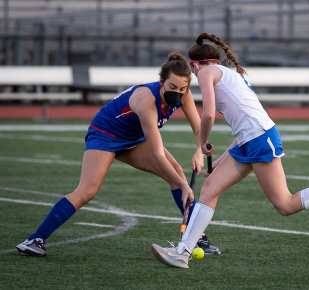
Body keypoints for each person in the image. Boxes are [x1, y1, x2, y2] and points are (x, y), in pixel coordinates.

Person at [151, 33, 309, 269]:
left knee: (285, 205)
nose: (195, 75)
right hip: (248, 141)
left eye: (193, 70)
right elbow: (242, 129)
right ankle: (183, 252)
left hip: (260, 139)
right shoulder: (226, 74)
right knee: (209, 189)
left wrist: (202, 143)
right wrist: (218, 162)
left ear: (196, 65)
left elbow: (207, 114)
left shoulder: (207, 72)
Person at [16, 52, 220, 256]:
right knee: (88, 191)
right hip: (105, 135)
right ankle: (35, 239)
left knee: (176, 173)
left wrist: (198, 151)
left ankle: (196, 237)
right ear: (161, 82)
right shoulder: (146, 100)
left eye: (182, 89)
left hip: (134, 138)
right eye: (172, 87)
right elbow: (157, 152)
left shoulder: (183, 96)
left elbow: (197, 129)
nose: (177, 92)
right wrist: (185, 186)